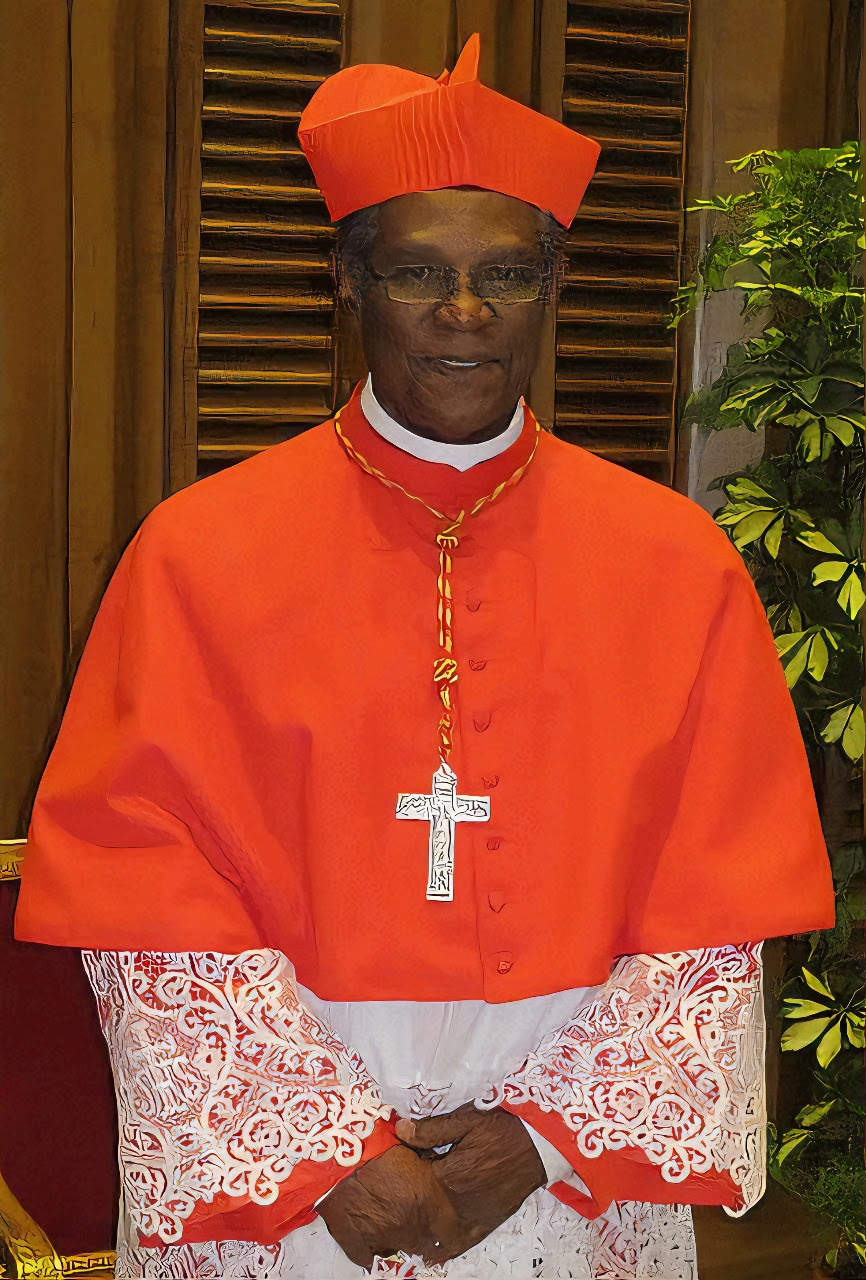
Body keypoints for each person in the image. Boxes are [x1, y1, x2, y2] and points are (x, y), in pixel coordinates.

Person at [15, 33, 834, 1279]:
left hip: (560, 1167)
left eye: (505, 272)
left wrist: (543, 1136)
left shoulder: (676, 561)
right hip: (284, 1173)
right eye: (417, 274)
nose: (463, 314)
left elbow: (714, 913)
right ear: (348, 286)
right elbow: (146, 894)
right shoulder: (196, 552)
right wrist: (332, 1149)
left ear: (550, 290)